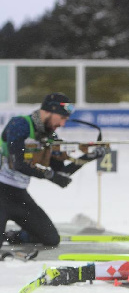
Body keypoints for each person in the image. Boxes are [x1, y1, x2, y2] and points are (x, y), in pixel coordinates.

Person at [0, 93, 104, 246]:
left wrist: (88, 157)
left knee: (51, 239)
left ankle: (11, 237)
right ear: (50, 110)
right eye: (62, 118)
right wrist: (50, 175)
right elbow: (18, 164)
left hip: (19, 196)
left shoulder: (50, 136)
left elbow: (61, 173)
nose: (62, 124)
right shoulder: (20, 124)